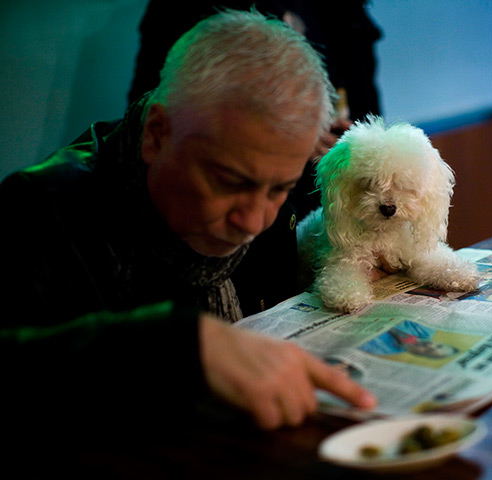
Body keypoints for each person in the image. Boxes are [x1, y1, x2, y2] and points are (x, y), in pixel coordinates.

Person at [0, 9, 376, 443]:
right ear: (157, 134)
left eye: (279, 190)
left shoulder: (263, 174)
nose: (253, 222)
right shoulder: (39, 210)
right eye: (227, 182)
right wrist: (171, 346)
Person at [127, 0, 383, 219]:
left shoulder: (348, 15)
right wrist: (294, 136)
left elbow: (367, 112)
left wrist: (368, 144)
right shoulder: (189, 10)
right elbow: (146, 109)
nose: (251, 221)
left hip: (330, 203)